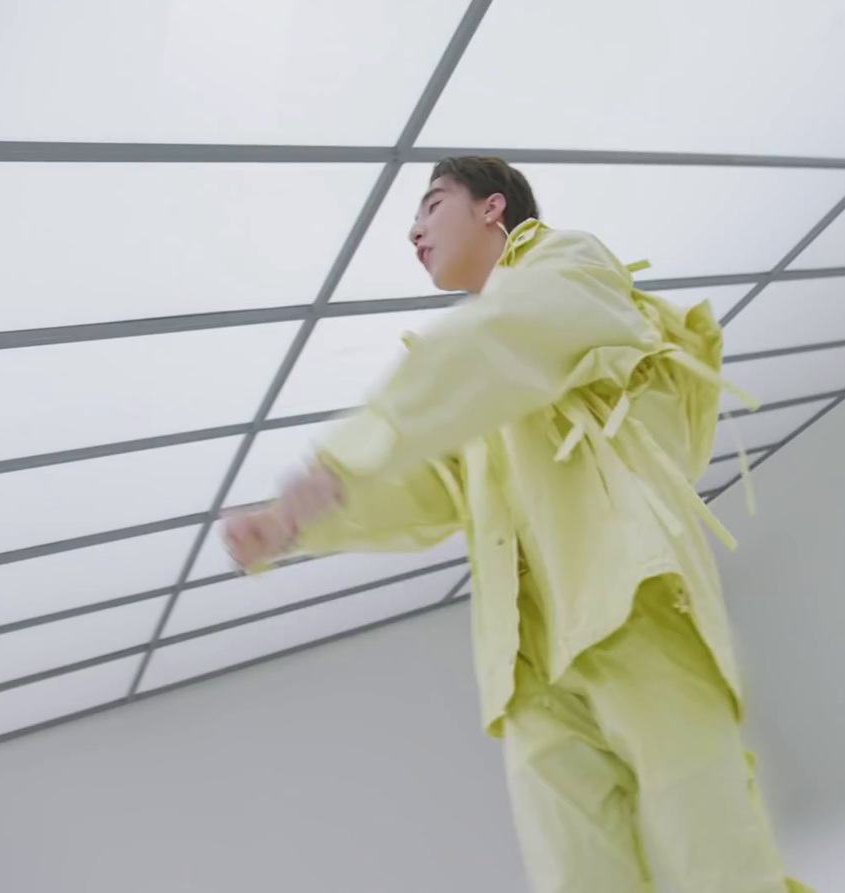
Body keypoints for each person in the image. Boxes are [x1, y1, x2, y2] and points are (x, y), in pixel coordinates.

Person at [222, 157, 813, 893]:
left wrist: (352, 454)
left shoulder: (570, 266)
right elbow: (432, 491)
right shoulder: (475, 373)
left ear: (492, 207)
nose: (413, 228)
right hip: (523, 664)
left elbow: (507, 338)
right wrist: (294, 528)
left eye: (432, 204)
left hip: (624, 600)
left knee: (711, 849)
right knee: (575, 873)